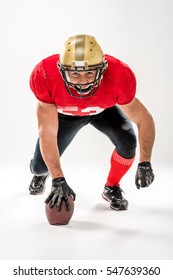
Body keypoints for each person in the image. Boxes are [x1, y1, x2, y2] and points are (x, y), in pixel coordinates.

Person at [29, 34, 155, 212]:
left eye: (89, 72)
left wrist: (145, 162)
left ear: (102, 69)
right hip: (65, 115)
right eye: (75, 74)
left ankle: (112, 187)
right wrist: (58, 179)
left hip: (102, 110)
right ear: (61, 70)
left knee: (128, 141)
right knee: (39, 167)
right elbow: (47, 132)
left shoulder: (118, 75)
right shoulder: (45, 75)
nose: (83, 81)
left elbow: (144, 119)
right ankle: (41, 173)